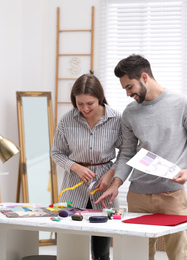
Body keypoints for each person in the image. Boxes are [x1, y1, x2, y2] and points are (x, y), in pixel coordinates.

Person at [95, 54, 187, 260]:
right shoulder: (130, 113)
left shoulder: (182, 104)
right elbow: (127, 152)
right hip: (138, 195)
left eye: (129, 87)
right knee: (138, 254)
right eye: (125, 89)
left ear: (144, 77)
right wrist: (115, 185)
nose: (128, 93)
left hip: (172, 195)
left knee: (177, 255)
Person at [51, 73, 122, 260]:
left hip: (104, 189)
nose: (85, 108)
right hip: (73, 189)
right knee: (71, 249)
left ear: (99, 97)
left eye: (89, 103)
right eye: (79, 104)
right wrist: (75, 167)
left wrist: (111, 174)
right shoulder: (67, 120)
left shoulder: (116, 119)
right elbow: (56, 152)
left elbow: (126, 153)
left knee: (102, 251)